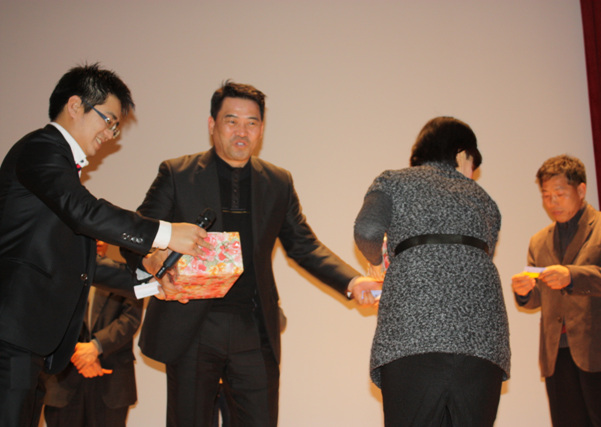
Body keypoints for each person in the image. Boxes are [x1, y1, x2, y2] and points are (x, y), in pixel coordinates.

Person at [123, 80, 379, 427]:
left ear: (261, 129)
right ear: (212, 124)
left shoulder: (278, 182)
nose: (242, 132)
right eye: (231, 121)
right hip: (193, 325)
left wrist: (352, 281)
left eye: (252, 123)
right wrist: (151, 260)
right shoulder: (177, 174)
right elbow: (136, 234)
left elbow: (304, 245)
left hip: (253, 327)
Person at [0, 63, 210, 427]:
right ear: (75, 105)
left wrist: (152, 281)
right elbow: (86, 212)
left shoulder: (60, 173)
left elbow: (86, 268)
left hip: (28, 344)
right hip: (11, 334)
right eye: (109, 121)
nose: (111, 134)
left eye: (115, 127)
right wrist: (165, 233)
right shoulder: (41, 148)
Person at [354, 116, 510, 426]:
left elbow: (367, 230)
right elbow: (482, 255)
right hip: (481, 344)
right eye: (473, 163)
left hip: (412, 339)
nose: (472, 173)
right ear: (461, 154)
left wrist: (378, 265)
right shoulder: (485, 201)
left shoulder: (393, 181)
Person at [511, 154, 601, 427]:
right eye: (546, 196)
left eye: (559, 194)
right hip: (557, 355)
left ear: (581, 190)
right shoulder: (539, 241)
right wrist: (524, 292)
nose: (552, 202)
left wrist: (571, 276)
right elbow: (536, 298)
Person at [42, 241, 143, 427]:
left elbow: (131, 319)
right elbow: (46, 317)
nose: (99, 241)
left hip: (111, 379)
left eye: (102, 236)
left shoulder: (127, 275)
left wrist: (96, 347)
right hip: (63, 378)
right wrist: (77, 352)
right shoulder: (57, 272)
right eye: (93, 235)